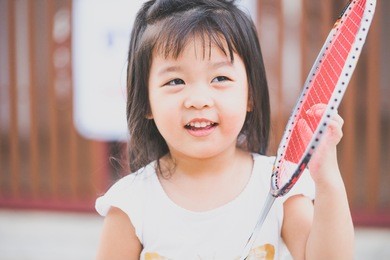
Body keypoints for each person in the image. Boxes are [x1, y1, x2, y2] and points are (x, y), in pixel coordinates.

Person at [95, 0, 354, 259]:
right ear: (146, 101)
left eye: (220, 78)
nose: (198, 99)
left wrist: (327, 178)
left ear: (250, 94)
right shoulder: (131, 203)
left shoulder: (277, 185)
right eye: (175, 81)